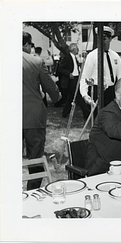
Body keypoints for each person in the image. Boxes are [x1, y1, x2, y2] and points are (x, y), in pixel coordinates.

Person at [22, 31, 61, 190]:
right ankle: (32, 192)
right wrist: (57, 96)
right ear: (26, 45)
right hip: (33, 117)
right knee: (35, 158)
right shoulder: (36, 61)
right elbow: (51, 88)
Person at [80, 26, 121, 109]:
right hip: (97, 91)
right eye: (100, 39)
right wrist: (84, 94)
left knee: (112, 117)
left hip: (111, 92)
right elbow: (85, 77)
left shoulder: (114, 56)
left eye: (104, 38)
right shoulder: (92, 56)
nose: (102, 42)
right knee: (98, 118)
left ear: (110, 39)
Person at [58, 43, 90, 120]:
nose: (78, 50)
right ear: (73, 49)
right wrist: (69, 74)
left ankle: (64, 114)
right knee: (78, 96)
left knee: (70, 98)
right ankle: (87, 113)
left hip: (76, 78)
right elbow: (60, 68)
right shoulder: (67, 58)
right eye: (77, 49)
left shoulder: (74, 58)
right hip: (71, 80)